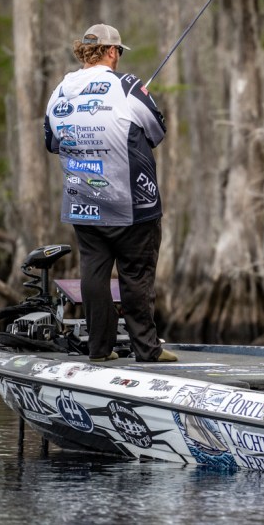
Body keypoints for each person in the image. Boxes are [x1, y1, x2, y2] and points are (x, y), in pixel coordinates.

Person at [43, 23, 177, 364]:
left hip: (83, 203)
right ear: (113, 52)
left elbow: (52, 142)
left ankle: (99, 350)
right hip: (133, 204)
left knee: (93, 274)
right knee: (136, 276)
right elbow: (158, 131)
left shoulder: (59, 91)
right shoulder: (128, 86)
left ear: (85, 53)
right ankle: (147, 350)